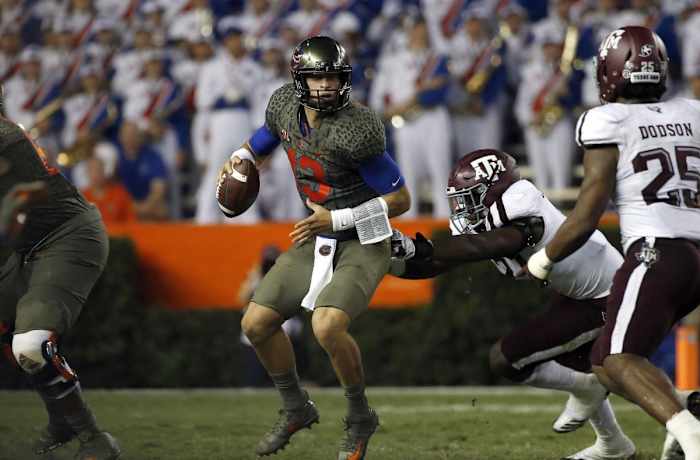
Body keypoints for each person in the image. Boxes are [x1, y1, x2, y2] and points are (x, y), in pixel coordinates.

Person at [390, 148, 635, 460]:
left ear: (494, 190)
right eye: (459, 198)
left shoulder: (520, 199)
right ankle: (615, 443)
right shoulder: (485, 219)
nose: (462, 207)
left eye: (470, 196)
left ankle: (676, 410)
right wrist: (396, 262)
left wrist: (416, 246)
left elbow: (495, 243)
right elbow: (439, 263)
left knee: (507, 358)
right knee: (585, 366)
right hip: (579, 292)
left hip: (607, 293)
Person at [232, 36, 411, 459]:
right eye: (318, 78)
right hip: (317, 236)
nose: (327, 86)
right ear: (299, 80)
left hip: (364, 239)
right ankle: (296, 407)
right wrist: (239, 157)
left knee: (327, 326)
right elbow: (262, 139)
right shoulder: (283, 108)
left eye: (333, 77)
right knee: (254, 323)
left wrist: (340, 218)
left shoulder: (356, 127)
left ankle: (360, 415)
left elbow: (401, 201)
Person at [525, 26, 700, 460]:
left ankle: (694, 437)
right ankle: (686, 421)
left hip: (655, 250)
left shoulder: (607, 119)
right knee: (604, 360)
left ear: (611, 72)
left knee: (620, 358)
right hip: (696, 250)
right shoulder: (694, 112)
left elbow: (588, 211)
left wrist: (544, 259)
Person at [0, 91, 120, 459]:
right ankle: (61, 420)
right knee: (13, 339)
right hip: (22, 247)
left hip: (66, 236)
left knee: (31, 344)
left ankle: (93, 437)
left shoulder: (7, 140)